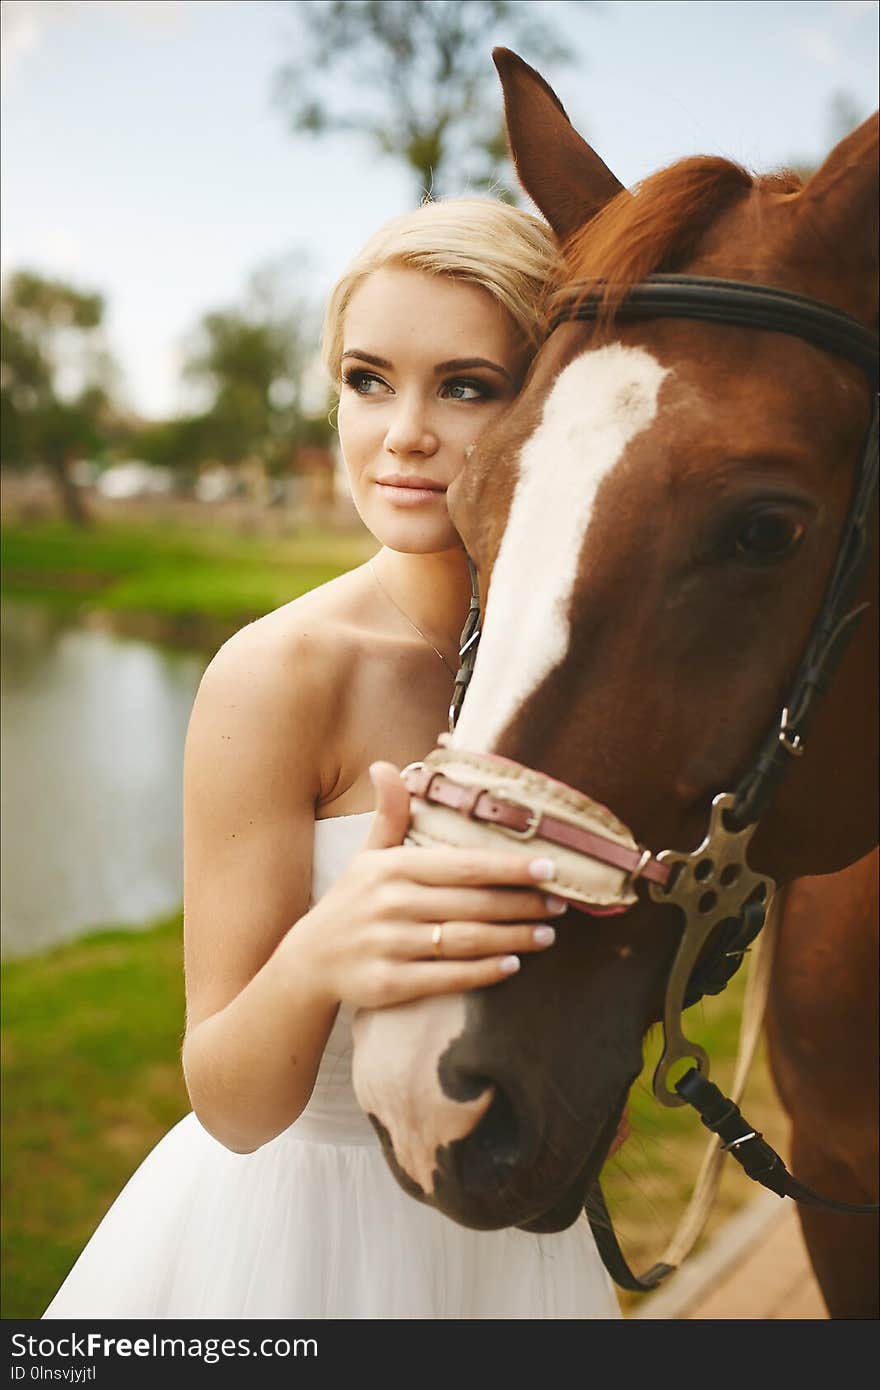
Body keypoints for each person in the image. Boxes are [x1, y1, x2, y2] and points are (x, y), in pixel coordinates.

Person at [43, 198, 622, 1320]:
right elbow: (232, 1104)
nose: (400, 431)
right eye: (367, 380)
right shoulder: (276, 679)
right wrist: (324, 952)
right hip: (298, 1247)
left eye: (464, 385)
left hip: (519, 1242)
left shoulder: (595, 677)